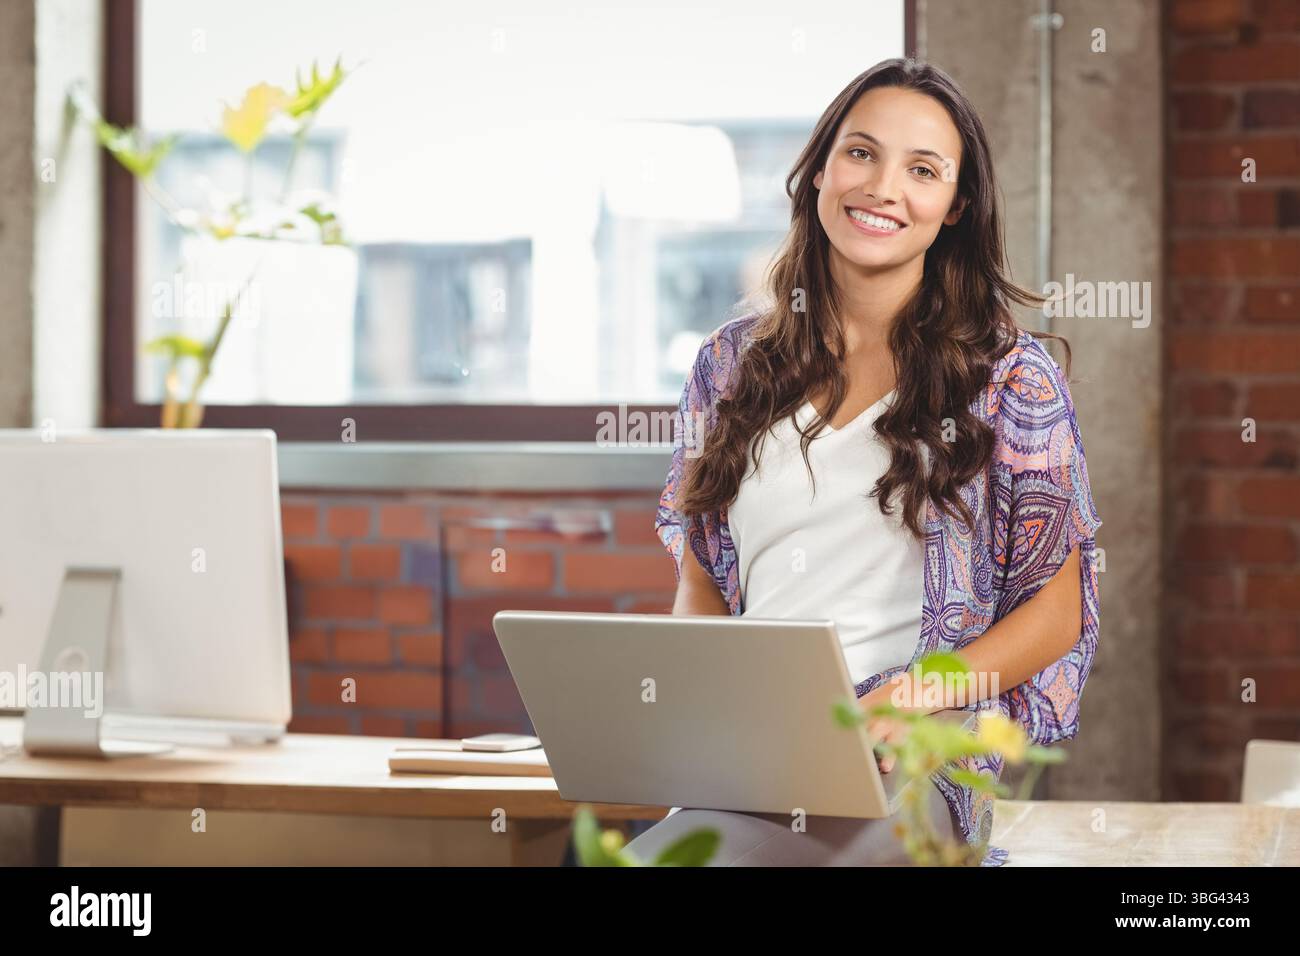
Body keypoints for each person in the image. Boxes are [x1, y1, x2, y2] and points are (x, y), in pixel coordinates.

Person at [636, 57, 1102, 867]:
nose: (884, 187)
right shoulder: (729, 366)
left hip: (916, 754)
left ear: (955, 205)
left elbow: (1056, 613)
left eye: (922, 170)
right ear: (819, 170)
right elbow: (704, 578)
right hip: (755, 752)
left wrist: (911, 698)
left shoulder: (1011, 380)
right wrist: (700, 709)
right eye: (861, 153)